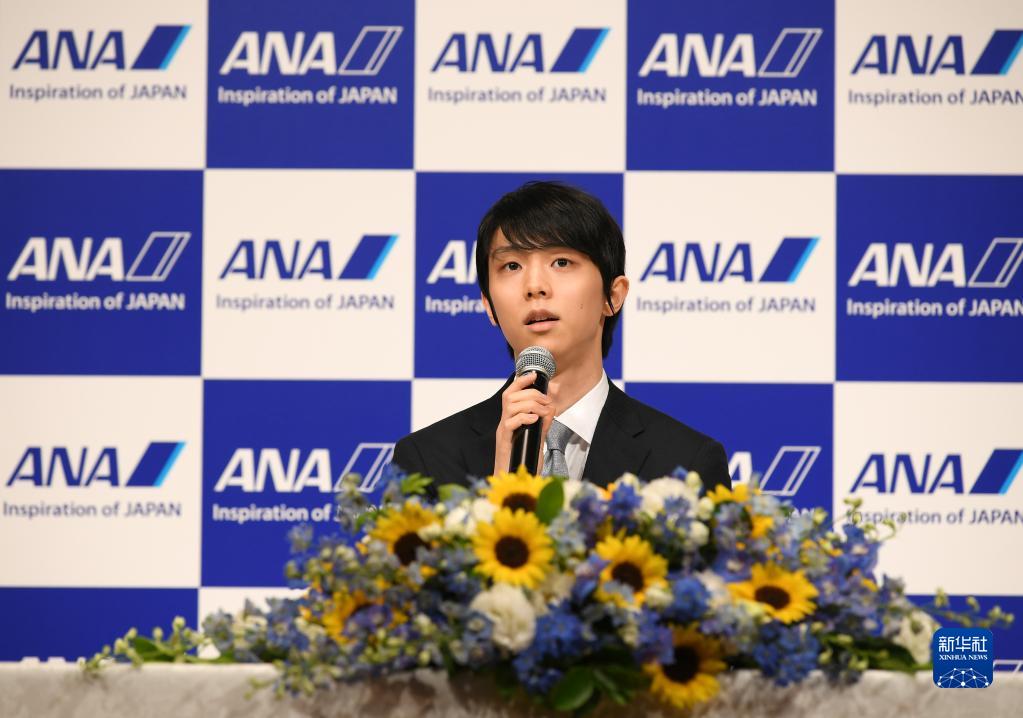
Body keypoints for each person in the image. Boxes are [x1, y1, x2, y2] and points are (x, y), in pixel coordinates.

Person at [392, 181, 730, 492]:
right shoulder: (425, 462)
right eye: (512, 266)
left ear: (613, 295)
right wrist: (501, 491)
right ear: (489, 306)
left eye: (562, 262)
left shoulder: (687, 463)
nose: (535, 286)